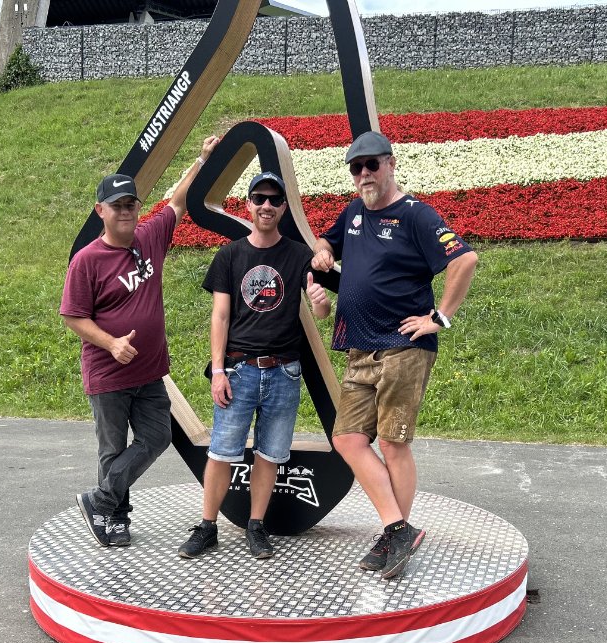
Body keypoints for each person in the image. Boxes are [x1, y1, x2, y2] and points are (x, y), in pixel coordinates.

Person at [312, 130, 479, 580]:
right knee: (348, 439)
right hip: (359, 348)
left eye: (371, 164)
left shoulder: (415, 215)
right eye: (356, 168)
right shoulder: (353, 212)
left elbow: (464, 260)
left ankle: (394, 536)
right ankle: (398, 530)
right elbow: (326, 242)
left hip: (403, 348)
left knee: (392, 442)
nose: (364, 174)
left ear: (391, 164)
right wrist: (324, 253)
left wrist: (439, 318)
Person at [62, 135, 219, 547]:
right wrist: (111, 343)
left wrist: (202, 160)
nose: (125, 211)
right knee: (112, 450)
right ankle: (114, 518)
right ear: (101, 211)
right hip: (108, 375)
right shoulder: (87, 261)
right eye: (117, 206)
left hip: (149, 373)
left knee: (157, 436)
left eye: (130, 204)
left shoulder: (150, 237)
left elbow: (177, 203)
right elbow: (73, 316)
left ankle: (99, 500)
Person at [178, 172, 330, 560]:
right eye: (259, 198)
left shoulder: (297, 255)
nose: (267, 205)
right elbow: (220, 317)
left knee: (270, 454)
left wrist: (320, 302)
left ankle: (256, 525)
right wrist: (217, 371)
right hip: (239, 370)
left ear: (284, 207)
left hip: (284, 371)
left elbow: (321, 311)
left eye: (275, 200)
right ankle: (207, 526)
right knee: (221, 451)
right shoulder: (230, 256)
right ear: (247, 204)